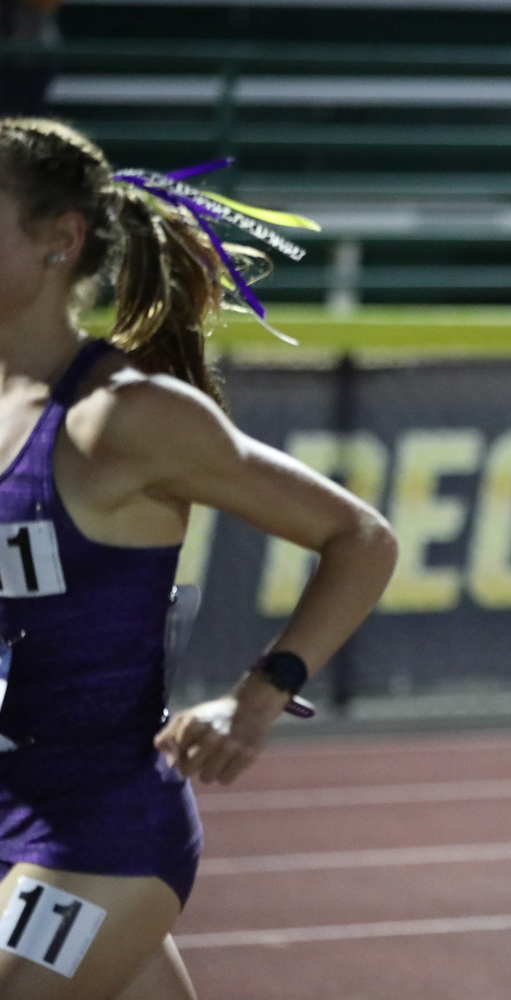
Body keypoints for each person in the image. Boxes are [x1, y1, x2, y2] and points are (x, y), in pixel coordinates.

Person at [0, 118, 397, 1000]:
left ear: (61, 241)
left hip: (92, 836)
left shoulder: (124, 418)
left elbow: (360, 537)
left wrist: (259, 697)